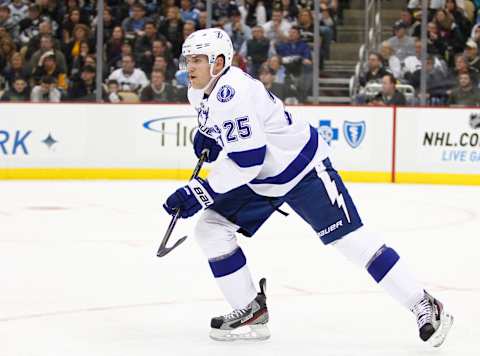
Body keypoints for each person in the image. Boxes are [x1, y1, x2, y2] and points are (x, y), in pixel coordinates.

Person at [162, 28, 454, 344]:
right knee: (211, 229)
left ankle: (423, 303)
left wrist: (199, 191)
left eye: (197, 60)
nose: (189, 67)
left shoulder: (233, 93)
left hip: (303, 170)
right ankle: (249, 309)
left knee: (351, 241)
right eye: (187, 59)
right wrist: (212, 137)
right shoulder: (198, 91)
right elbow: (238, 145)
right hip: (263, 179)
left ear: (218, 62)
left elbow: (248, 160)